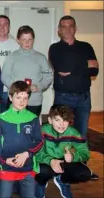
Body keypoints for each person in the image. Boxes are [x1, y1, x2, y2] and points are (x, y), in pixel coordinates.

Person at [49, 15, 99, 180]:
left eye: (71, 26)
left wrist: (74, 70)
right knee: (62, 134)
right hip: (64, 98)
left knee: (81, 135)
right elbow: (63, 68)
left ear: (75, 28)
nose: (68, 29)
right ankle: (62, 168)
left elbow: (94, 71)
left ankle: (82, 169)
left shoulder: (86, 46)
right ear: (59, 30)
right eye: (64, 26)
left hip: (84, 98)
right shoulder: (55, 48)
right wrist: (83, 65)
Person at [0, 81, 43, 198]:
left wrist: (27, 154)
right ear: (10, 97)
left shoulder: (33, 118)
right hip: (6, 167)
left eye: (25, 98)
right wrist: (3, 160)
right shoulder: (1, 119)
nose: (22, 101)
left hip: (27, 167)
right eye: (18, 97)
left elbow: (40, 141)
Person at [35, 105, 92, 198]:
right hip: (46, 162)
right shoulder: (42, 131)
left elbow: (85, 153)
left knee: (85, 173)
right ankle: (41, 183)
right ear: (50, 120)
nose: (61, 124)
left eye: (65, 120)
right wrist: (50, 161)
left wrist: (73, 156)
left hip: (63, 162)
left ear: (69, 121)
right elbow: (35, 153)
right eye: (57, 120)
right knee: (42, 171)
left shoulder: (73, 132)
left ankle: (63, 180)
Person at [1, 25, 53, 117]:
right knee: (14, 128)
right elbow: (4, 77)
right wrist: (17, 90)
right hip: (15, 100)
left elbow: (48, 77)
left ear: (33, 40)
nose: (27, 42)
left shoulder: (41, 58)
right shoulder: (11, 57)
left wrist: (38, 87)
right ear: (18, 40)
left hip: (34, 101)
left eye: (30, 39)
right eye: (24, 39)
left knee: (31, 129)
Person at [0, 15, 20, 112]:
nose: (2, 27)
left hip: (11, 89)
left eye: (5, 24)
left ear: (9, 27)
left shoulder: (17, 45)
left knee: (8, 118)